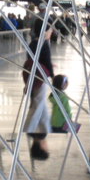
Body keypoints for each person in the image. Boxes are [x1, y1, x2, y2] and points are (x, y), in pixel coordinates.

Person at [23, 18, 54, 160]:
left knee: (40, 107)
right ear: (45, 31)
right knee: (37, 106)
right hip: (41, 79)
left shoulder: (32, 44)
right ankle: (27, 129)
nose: (51, 31)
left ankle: (45, 127)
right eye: (50, 29)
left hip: (33, 78)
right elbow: (46, 61)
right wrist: (52, 76)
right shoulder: (44, 44)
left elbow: (30, 61)